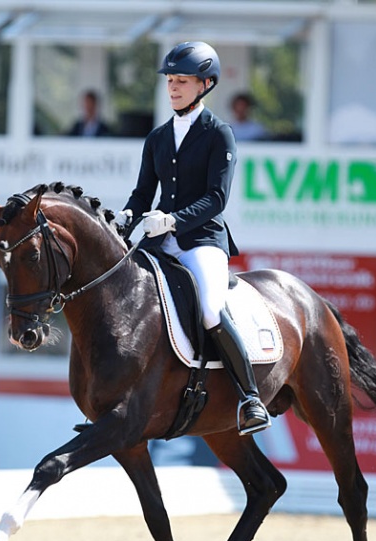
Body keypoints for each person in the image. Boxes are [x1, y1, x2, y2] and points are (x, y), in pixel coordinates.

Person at [113, 41, 270, 435]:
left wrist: (172, 221)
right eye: (170, 80)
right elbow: (141, 193)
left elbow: (216, 199)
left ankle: (250, 397)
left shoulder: (220, 135)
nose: (173, 88)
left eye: (182, 81)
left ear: (206, 84)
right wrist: (127, 216)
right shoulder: (158, 138)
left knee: (211, 310)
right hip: (159, 242)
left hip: (202, 240)